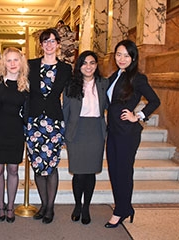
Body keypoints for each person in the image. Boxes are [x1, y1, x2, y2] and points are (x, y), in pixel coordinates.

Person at [105, 39, 160, 228]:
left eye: (126, 55)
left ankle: (121, 210)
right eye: (118, 54)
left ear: (133, 57)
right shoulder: (115, 75)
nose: (121, 58)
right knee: (114, 171)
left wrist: (138, 116)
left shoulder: (137, 78)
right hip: (113, 131)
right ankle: (124, 206)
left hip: (127, 133)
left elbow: (155, 100)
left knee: (123, 172)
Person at [26, 28, 72, 224]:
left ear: (58, 44)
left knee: (51, 166)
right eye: (46, 41)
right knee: (37, 166)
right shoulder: (31, 65)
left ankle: (50, 208)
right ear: (41, 44)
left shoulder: (65, 69)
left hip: (53, 122)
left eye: (53, 41)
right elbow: (23, 90)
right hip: (34, 122)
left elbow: (73, 95)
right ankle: (43, 204)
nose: (49, 44)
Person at [63, 51, 109, 225]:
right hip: (76, 131)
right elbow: (65, 110)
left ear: (97, 65)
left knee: (90, 173)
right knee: (79, 173)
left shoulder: (104, 83)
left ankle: (86, 207)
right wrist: (65, 134)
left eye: (92, 63)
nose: (88, 66)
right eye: (84, 63)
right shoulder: (71, 85)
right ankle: (77, 205)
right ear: (79, 66)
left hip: (96, 131)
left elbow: (114, 105)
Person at [0, 47, 29, 223]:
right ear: (4, 62)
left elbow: (28, 109)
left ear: (21, 62)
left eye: (16, 60)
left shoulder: (26, 83)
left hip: (15, 131)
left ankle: (11, 206)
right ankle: (0, 206)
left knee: (13, 169)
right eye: (9, 60)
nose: (12, 64)